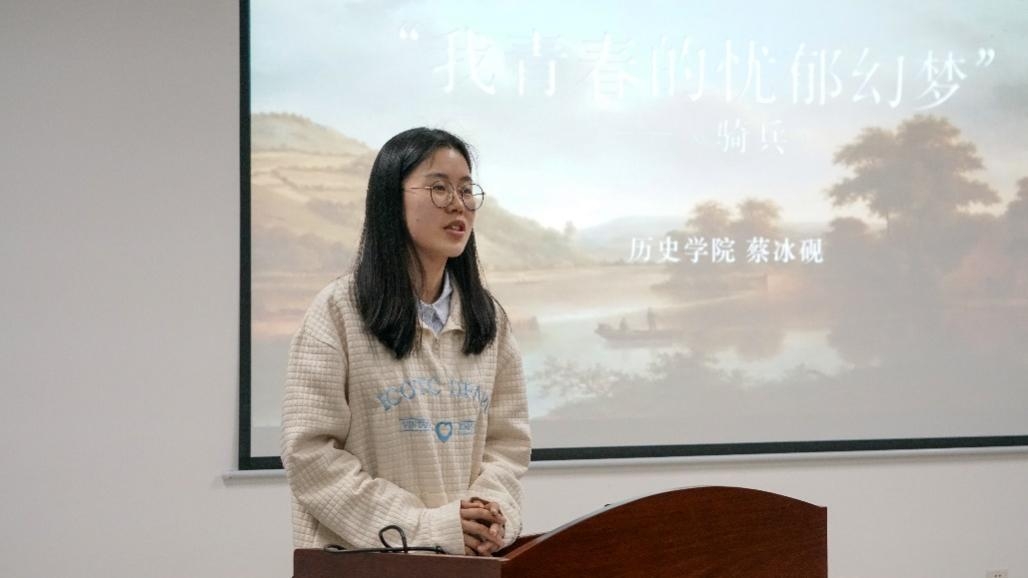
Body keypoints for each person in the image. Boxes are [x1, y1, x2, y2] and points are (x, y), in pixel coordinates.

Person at [280, 128, 531, 557]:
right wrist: (427, 526)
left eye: (466, 189)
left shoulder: (489, 320)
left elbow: (507, 447)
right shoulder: (339, 310)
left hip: (466, 564)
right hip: (364, 564)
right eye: (439, 187)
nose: (458, 204)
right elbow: (310, 455)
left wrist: (487, 514)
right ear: (390, 199)